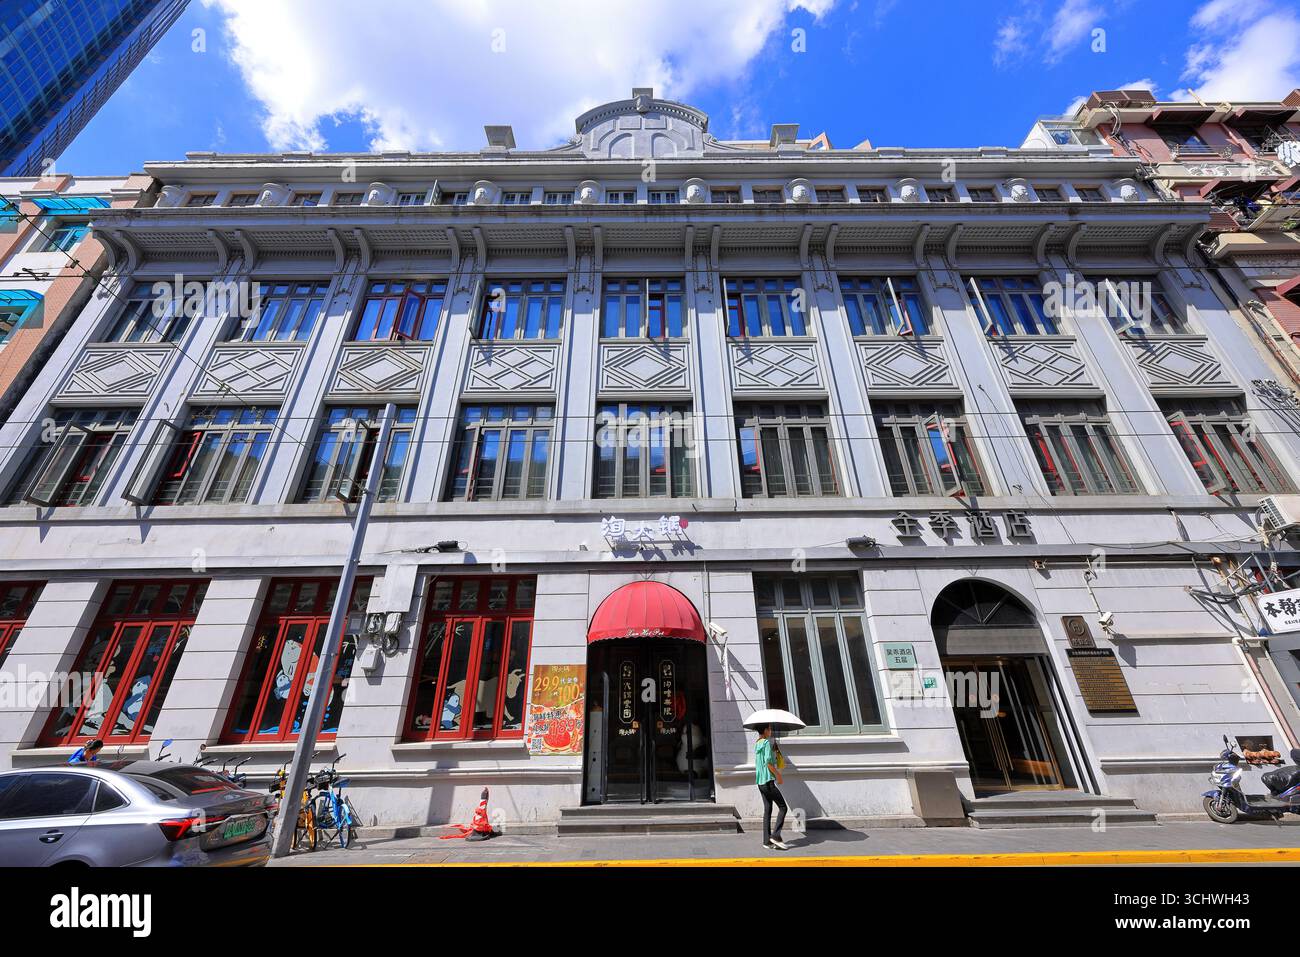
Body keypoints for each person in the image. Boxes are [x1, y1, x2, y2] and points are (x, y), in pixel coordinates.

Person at [755, 724, 789, 850]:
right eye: (769, 729)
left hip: (760, 783)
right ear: (765, 730)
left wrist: (773, 750)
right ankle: (776, 836)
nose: (771, 731)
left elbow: (763, 761)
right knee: (783, 807)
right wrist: (778, 775)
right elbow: (768, 763)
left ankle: (766, 841)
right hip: (768, 782)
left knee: (767, 809)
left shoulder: (757, 743)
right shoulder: (766, 743)